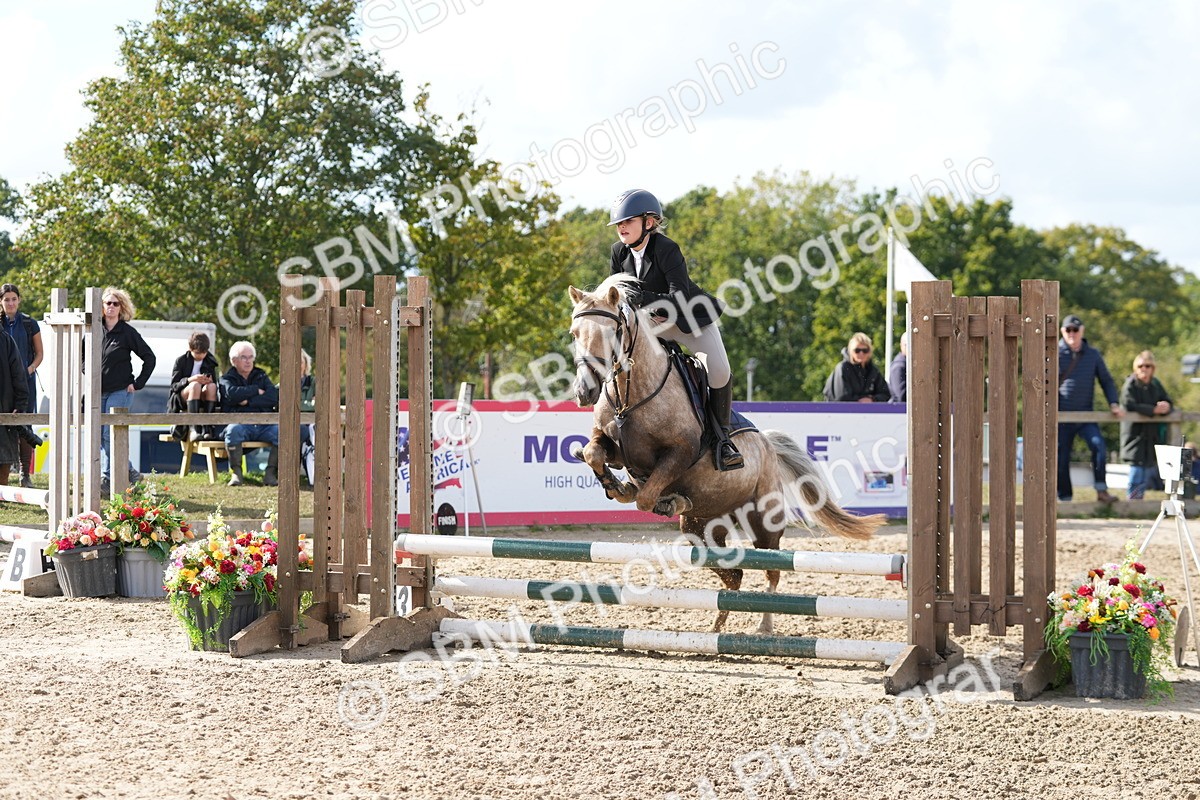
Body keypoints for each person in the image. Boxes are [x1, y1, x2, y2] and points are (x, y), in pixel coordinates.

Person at [606, 189, 742, 471]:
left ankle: (722, 440)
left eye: (628, 221)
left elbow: (678, 297)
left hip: (688, 320)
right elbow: (615, 296)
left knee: (719, 371)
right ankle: (618, 430)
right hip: (651, 324)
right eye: (619, 223)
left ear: (649, 223)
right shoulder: (618, 252)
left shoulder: (667, 249)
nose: (621, 227)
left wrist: (644, 298)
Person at [1057, 314, 1122, 504]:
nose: (1072, 333)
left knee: (1099, 446)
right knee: (1061, 456)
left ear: (1082, 331)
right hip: (1061, 417)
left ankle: (1101, 491)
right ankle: (1065, 498)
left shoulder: (1092, 354)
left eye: (1075, 330)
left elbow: (1107, 381)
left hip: (1086, 415)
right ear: (1062, 331)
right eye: (1068, 330)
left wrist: (1114, 403)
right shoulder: (1054, 353)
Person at [99, 288, 155, 489]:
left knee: (109, 433)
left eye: (115, 303)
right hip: (98, 390)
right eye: (108, 303)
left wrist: (138, 383)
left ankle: (109, 477)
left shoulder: (127, 332)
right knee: (100, 434)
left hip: (120, 391)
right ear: (102, 306)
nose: (111, 307)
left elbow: (150, 358)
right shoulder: (95, 329)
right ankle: (126, 472)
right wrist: (86, 369)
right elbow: (82, 353)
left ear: (121, 307)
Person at [1, 283, 43, 487]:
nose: (10, 303)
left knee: (25, 423)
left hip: (25, 381)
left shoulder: (29, 323)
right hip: (4, 385)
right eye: (6, 299)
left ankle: (25, 473)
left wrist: (30, 369)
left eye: (13, 299)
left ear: (19, 300)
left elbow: (39, 353)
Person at [220, 341, 278, 486]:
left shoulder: (261, 376)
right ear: (234, 361)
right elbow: (231, 394)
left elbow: (273, 397)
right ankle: (237, 474)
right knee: (233, 430)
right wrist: (256, 391)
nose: (248, 361)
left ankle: (271, 473)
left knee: (283, 432)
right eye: (244, 357)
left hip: (264, 424)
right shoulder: (227, 379)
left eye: (251, 357)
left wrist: (248, 402)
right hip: (240, 424)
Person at [1120, 351, 1172, 500]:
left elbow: (1168, 401)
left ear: (1152, 368)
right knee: (1136, 472)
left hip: (1150, 437)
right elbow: (1128, 404)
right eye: (1141, 365)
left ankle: (1138, 504)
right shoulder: (1131, 384)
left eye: (1148, 366)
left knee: (1145, 475)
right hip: (1134, 436)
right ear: (1135, 367)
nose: (1144, 369)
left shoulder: (1155, 384)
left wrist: (1166, 406)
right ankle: (1132, 503)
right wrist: (1152, 410)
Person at [168, 331, 220, 442]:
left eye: (204, 353)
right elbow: (174, 386)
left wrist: (208, 381)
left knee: (212, 387)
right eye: (197, 353)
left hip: (202, 396)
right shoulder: (181, 361)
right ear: (190, 349)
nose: (201, 356)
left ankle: (208, 428)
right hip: (183, 396)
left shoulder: (210, 361)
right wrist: (191, 379)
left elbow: (214, 383)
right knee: (195, 386)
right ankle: (194, 428)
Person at [823, 332, 890, 403]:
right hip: (840, 412)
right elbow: (841, 397)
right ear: (850, 351)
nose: (861, 353)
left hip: (867, 412)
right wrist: (860, 400)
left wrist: (872, 399)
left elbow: (886, 394)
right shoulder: (843, 368)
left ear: (870, 351)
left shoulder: (873, 370)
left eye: (865, 350)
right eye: (857, 350)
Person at [0, 327, 29, 489]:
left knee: (3, 460)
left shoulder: (5, 340)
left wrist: (20, 404)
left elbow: (19, 374)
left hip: (4, 408)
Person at [888, 333, 908, 403]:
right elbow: (901, 396)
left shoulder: (910, 364)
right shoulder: (899, 366)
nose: (911, 347)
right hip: (901, 411)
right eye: (907, 344)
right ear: (901, 345)